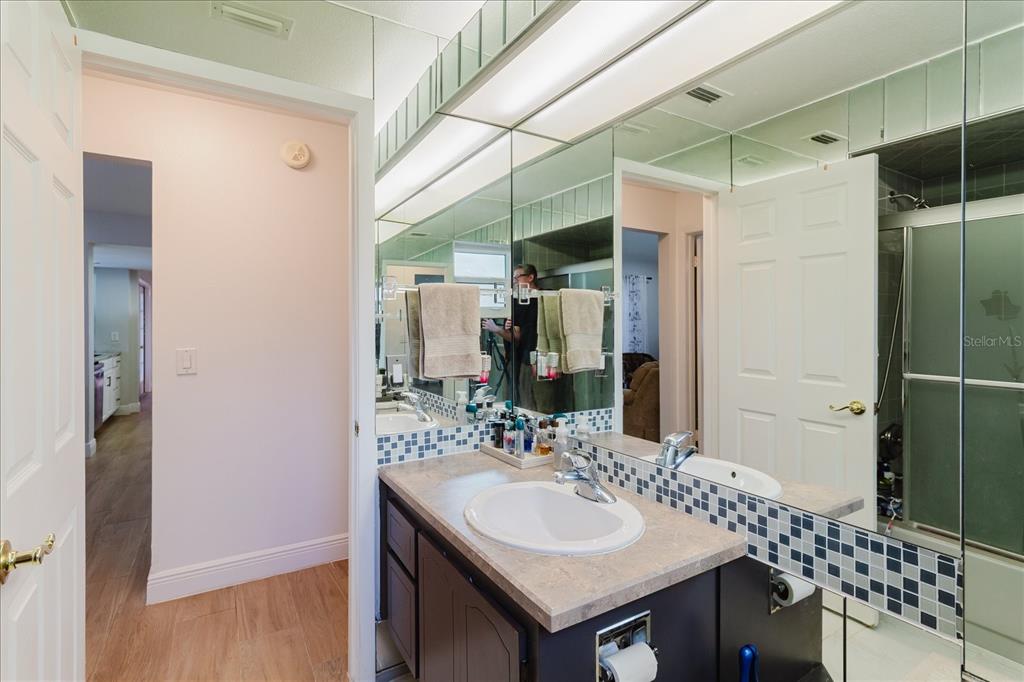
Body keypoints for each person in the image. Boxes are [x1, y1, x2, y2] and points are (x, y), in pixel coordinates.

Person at [483, 264, 539, 410]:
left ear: (530, 277)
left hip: (530, 359)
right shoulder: (519, 301)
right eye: (513, 278)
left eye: (517, 277)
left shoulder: (534, 300)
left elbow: (516, 337)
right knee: (522, 397)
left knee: (526, 398)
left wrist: (495, 329)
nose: (514, 281)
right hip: (523, 357)